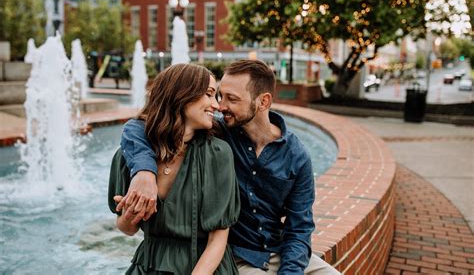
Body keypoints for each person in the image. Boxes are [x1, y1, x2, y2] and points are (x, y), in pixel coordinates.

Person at [117, 60, 340, 274]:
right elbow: (138, 127)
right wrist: (144, 171)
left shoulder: (297, 157)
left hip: (278, 250)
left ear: (263, 102)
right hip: (236, 255)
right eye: (219, 95)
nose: (220, 106)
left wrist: (290, 272)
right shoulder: (218, 132)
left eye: (231, 99)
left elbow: (299, 228)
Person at [108, 64, 240, 274]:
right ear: (181, 95)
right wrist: (130, 214)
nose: (216, 106)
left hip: (203, 267)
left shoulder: (217, 154)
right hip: (148, 265)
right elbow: (127, 229)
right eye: (209, 95)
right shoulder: (130, 155)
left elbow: (218, 240)